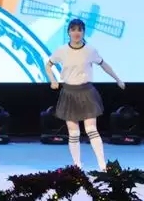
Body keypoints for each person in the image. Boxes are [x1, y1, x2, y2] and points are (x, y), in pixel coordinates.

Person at [46, 18, 125, 171]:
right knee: (74, 133)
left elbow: (104, 65)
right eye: (73, 29)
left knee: (91, 130)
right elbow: (48, 65)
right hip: (69, 93)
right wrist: (52, 80)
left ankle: (102, 165)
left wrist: (117, 79)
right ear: (68, 32)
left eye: (79, 30)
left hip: (86, 92)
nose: (76, 33)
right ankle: (77, 166)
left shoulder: (90, 50)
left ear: (83, 32)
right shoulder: (61, 50)